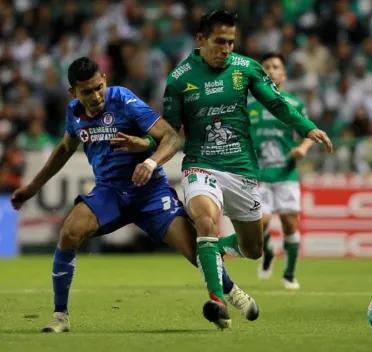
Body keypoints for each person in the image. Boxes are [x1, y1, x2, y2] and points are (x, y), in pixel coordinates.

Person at [114, 9, 333, 329]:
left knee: (254, 249)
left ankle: (211, 249)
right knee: (206, 219)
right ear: (201, 39)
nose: (226, 48)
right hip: (201, 165)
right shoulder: (180, 79)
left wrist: (307, 127)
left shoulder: (246, 68)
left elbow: (277, 103)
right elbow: (172, 134)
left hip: (242, 170)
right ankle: (217, 300)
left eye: (231, 42)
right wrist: (148, 149)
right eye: (220, 41)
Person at [10, 57, 258, 333]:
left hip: (150, 192)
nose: (95, 96)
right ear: (73, 93)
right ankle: (60, 316)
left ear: (104, 79)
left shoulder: (124, 100)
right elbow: (65, 149)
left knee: (194, 250)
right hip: (111, 192)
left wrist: (148, 158)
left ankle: (232, 292)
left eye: (98, 88)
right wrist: (33, 187)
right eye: (87, 92)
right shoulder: (73, 113)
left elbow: (172, 138)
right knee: (69, 232)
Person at [248, 53, 313, 290]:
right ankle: (268, 253)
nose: (272, 70)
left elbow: (309, 133)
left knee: (289, 225)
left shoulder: (294, 104)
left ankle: (289, 274)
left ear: (283, 74)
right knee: (261, 224)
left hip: (286, 173)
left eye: (276, 66)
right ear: (262, 74)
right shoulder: (248, 105)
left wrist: (302, 149)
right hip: (259, 175)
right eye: (267, 67)